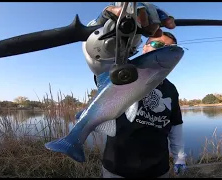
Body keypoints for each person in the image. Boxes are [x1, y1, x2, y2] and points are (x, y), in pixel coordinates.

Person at [79, 2, 187, 178]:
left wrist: (180, 158)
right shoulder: (122, 71)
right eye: (157, 46)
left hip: (159, 171)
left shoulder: (171, 89)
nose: (164, 52)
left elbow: (176, 125)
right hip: (117, 170)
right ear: (144, 47)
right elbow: (96, 56)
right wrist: (106, 20)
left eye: (170, 49)